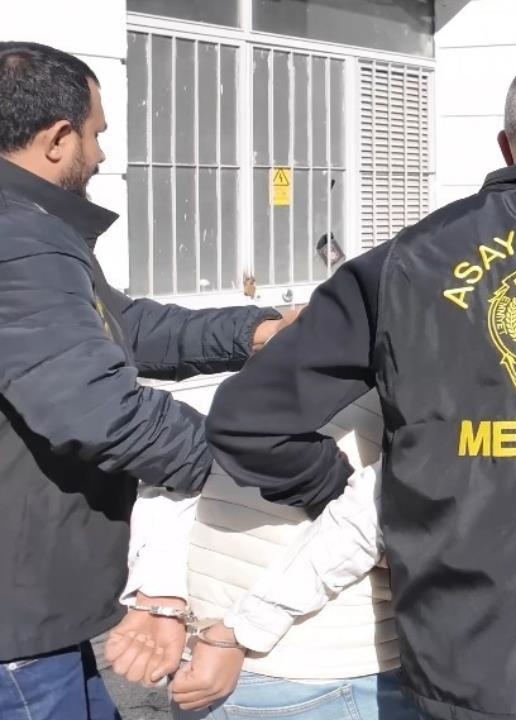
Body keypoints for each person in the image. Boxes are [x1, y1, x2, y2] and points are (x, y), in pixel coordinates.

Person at [205, 56, 516, 720]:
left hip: (465, 663)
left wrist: (368, 502)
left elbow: (247, 420)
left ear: (506, 146)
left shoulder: (398, 265)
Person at [0, 42, 295, 720]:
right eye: (96, 133)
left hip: (40, 616)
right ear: (57, 139)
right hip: (17, 622)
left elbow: (120, 324)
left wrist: (259, 331)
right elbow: (97, 409)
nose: (101, 154)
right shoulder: (19, 239)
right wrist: (255, 465)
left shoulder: (30, 232)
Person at [104, 390, 417, 719]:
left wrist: (160, 594)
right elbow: (379, 504)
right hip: (320, 661)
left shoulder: (227, 361)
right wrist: (239, 630)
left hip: (207, 650)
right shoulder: (410, 365)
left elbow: (170, 460)